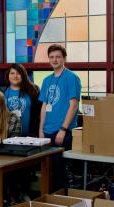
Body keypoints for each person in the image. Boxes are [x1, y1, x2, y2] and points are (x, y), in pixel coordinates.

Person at [38, 44, 81, 190]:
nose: (54, 60)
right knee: (47, 168)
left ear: (64, 58)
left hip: (62, 131)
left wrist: (63, 129)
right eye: (51, 57)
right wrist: (40, 129)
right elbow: (44, 106)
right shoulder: (46, 80)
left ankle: (61, 199)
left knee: (59, 169)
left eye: (58, 57)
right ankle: (48, 198)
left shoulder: (71, 77)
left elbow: (74, 105)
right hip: (47, 131)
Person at [0, 64, 41, 137]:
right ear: (8, 75)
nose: (15, 76)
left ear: (23, 75)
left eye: (18, 73)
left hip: (30, 136)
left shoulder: (33, 90)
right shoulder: (1, 91)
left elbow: (40, 113)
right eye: (12, 73)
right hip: (8, 136)